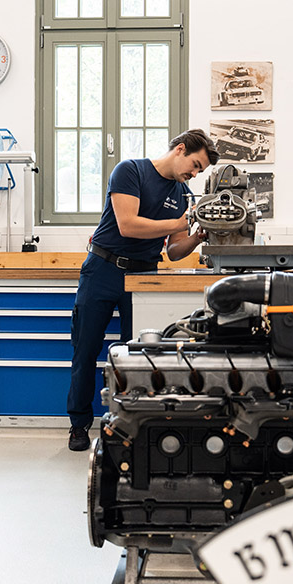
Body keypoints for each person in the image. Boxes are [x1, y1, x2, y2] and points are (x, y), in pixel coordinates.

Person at [66, 130, 219, 451]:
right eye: (195, 164)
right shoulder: (130, 170)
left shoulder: (181, 193)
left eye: (200, 171)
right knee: (85, 351)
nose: (195, 173)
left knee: (139, 356)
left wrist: (198, 235)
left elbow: (175, 251)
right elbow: (128, 224)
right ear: (179, 149)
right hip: (103, 270)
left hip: (145, 274)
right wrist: (180, 223)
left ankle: (129, 425)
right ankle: (79, 426)